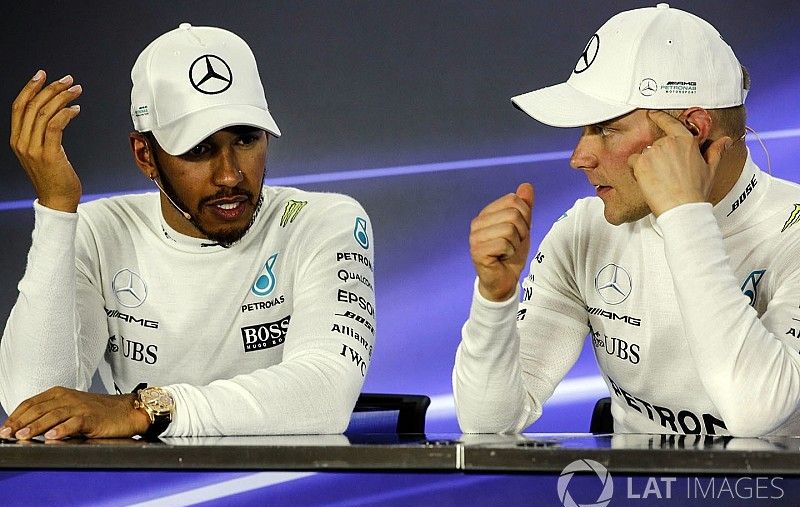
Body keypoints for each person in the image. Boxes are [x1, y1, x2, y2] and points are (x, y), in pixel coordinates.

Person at [0, 23, 375, 439]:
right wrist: (56, 210)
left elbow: (324, 394)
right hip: (149, 495)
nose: (231, 175)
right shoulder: (100, 232)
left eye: (246, 139)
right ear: (145, 155)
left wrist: (144, 410)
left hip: (292, 494)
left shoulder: (323, 221)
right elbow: (33, 409)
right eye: (199, 150)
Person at [453, 4, 800, 437]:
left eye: (606, 129)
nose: (579, 158)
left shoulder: (793, 235)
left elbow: (756, 414)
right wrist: (494, 300)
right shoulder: (585, 231)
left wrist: (684, 215)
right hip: (632, 501)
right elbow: (487, 424)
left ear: (692, 131)